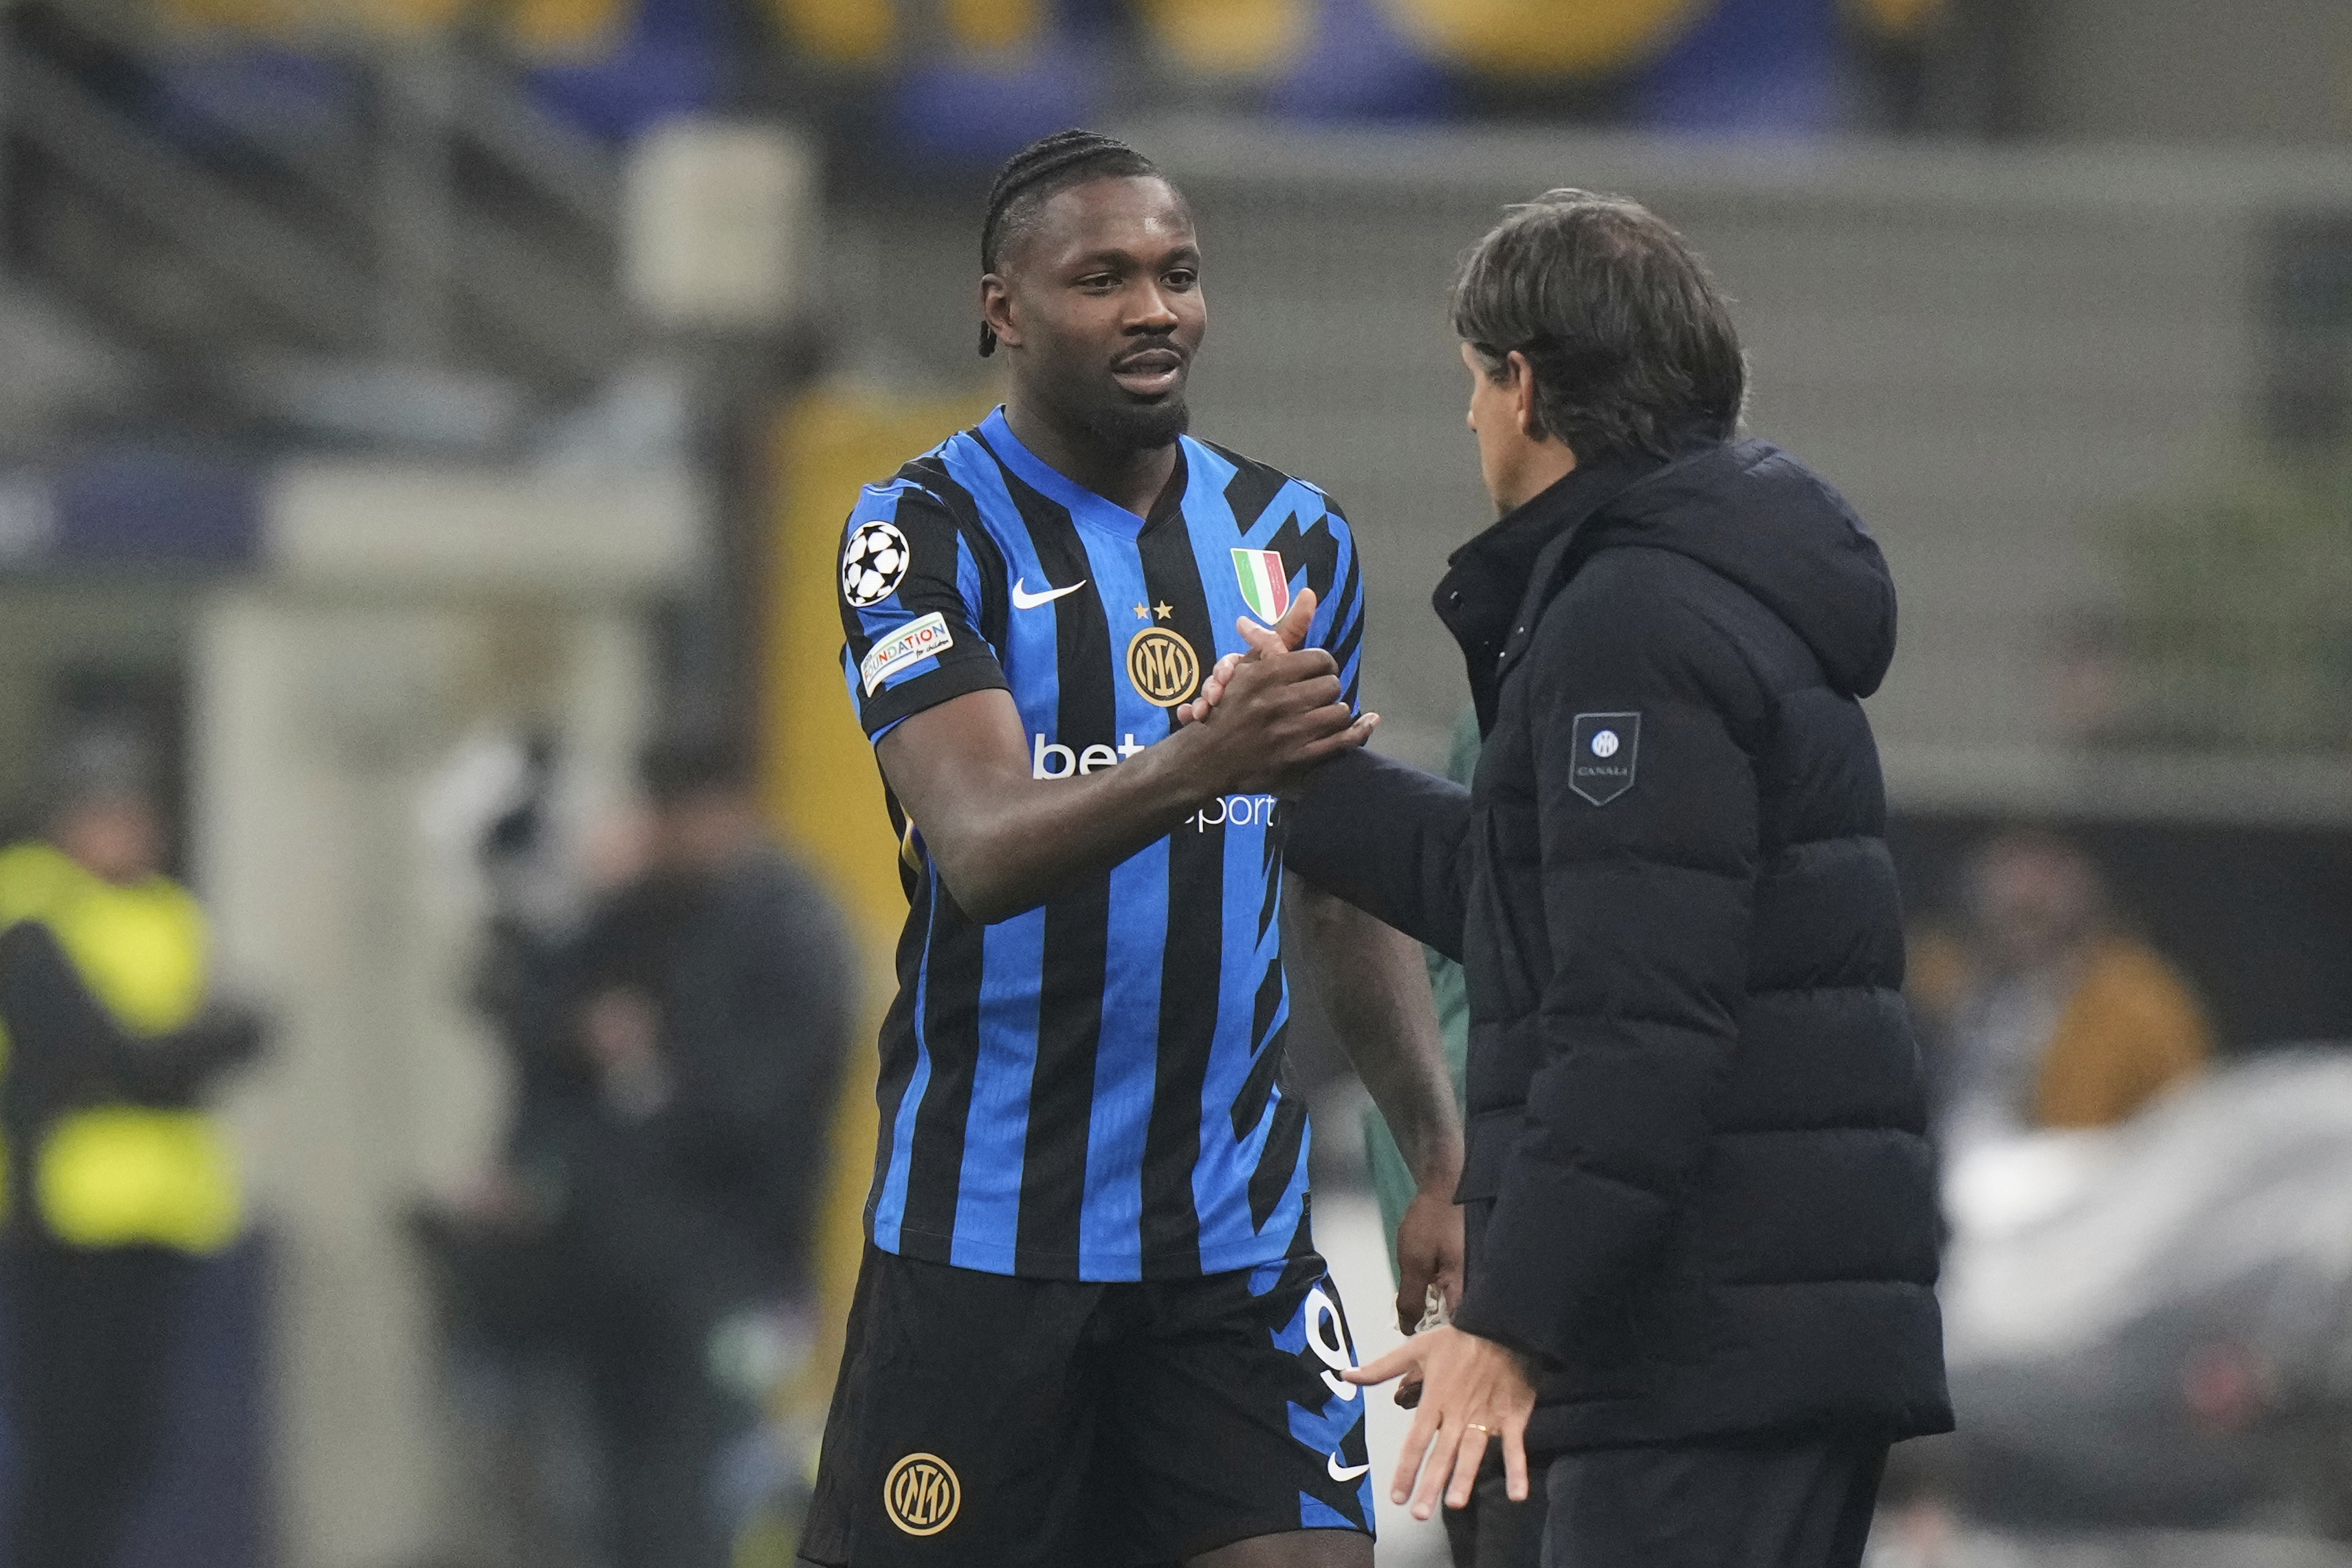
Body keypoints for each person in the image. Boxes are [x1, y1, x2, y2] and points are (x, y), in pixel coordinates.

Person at [1189, 190, 1953, 1567]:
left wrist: (1511, 1323)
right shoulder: (1698, 589)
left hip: (1696, 1359)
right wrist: (1303, 776)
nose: (1468, 419)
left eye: (1473, 384)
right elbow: (1543, 898)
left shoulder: (1635, 621)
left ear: (1524, 385)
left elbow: (1635, 1021)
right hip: (1735, 1340)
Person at [798, 130, 1464, 1567]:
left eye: (1176, 274)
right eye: (1101, 278)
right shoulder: (917, 532)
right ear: (1002, 308)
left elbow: (1344, 889)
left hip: (1232, 1248)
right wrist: (1209, 757)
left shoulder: (1292, 541)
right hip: (988, 1248)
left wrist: (1435, 1145)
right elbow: (979, 841)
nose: (1153, 307)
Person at [443, 729, 855, 1568]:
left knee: (723, 1486)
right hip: (619, 1270)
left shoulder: (791, 927)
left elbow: (756, 1105)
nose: (666, 835)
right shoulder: (645, 911)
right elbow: (536, 1009)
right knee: (618, 1504)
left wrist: (648, 1067)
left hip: (742, 1267)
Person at [0, 729, 265, 1568]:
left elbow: (234, 1030)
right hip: (62, 1218)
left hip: (165, 1214)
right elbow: (100, 1054)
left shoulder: (168, 910)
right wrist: (180, 1052)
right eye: (105, 811)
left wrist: (171, 1056)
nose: (126, 828)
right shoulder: (32, 909)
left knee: (131, 1443)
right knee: (65, 1449)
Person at [1915, 828, 2210, 1156]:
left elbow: (2189, 1118)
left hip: (2084, 1178)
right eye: (2014, 865)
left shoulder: (2138, 999)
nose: (2028, 887)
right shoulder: (1935, 974)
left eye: (2047, 871)